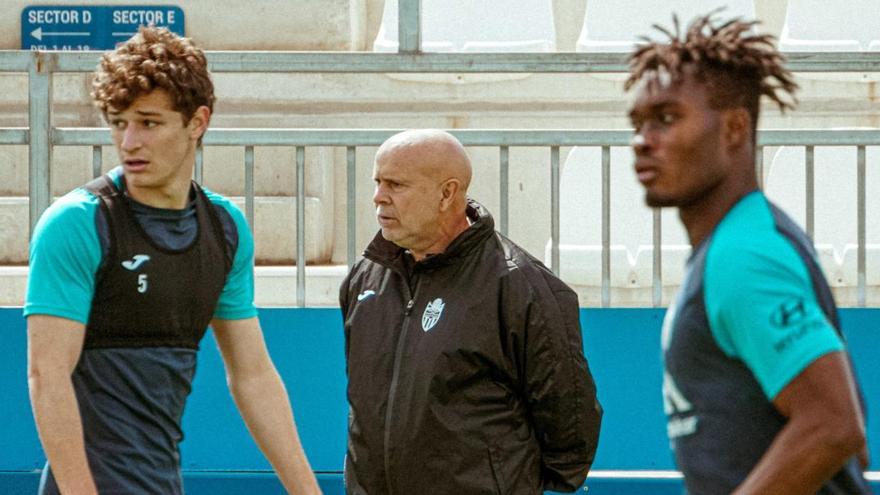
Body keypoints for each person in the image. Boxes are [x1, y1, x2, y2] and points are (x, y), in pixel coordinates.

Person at [25, 26, 321, 494]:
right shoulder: (77, 223)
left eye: (149, 122)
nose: (129, 142)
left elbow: (253, 375)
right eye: (119, 122)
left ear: (197, 122)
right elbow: (47, 375)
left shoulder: (224, 229)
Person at [626, 13, 870, 494]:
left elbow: (836, 425)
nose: (641, 141)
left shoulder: (745, 255)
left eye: (667, 119)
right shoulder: (744, 242)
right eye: (638, 123)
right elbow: (850, 430)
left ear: (735, 129)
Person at [339, 129, 602, 494]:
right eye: (377, 182)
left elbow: (568, 420)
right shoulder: (365, 278)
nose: (378, 197)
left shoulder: (519, 285)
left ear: (447, 193)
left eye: (395, 185)